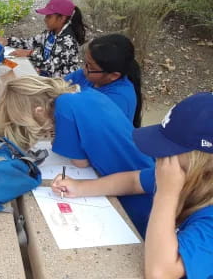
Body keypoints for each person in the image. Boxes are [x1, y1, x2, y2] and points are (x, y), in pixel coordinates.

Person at [51, 93, 213, 278]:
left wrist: (166, 194)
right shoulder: (192, 176)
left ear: (201, 161)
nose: (160, 157)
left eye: (169, 152)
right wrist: (80, 187)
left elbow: (160, 273)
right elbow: (133, 181)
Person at [0, 76, 154, 236]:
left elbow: (80, 163)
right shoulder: (86, 94)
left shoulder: (64, 108)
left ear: (39, 111)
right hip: (142, 168)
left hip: (136, 196)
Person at [0, 0, 86, 77]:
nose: (45, 19)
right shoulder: (50, 33)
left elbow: (51, 67)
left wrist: (30, 53)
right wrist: (7, 41)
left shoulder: (67, 42)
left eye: (49, 16)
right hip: (45, 76)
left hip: (60, 84)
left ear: (62, 18)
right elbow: (31, 42)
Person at [65, 34, 142, 127]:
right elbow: (59, 85)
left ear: (114, 75)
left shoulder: (118, 101)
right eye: (85, 63)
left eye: (90, 66)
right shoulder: (89, 74)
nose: (84, 69)